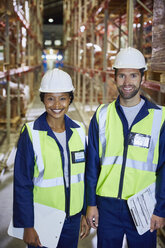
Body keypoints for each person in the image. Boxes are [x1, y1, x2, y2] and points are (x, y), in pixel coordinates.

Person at [86, 47, 165, 248]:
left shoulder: (159, 118)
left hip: (144, 206)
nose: (127, 82)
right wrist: (91, 203)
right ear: (114, 77)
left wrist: (161, 209)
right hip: (107, 206)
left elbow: (164, 168)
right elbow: (92, 165)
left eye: (133, 75)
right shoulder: (102, 115)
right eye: (121, 75)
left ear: (143, 78)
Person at [13, 68, 90, 248]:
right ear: (43, 99)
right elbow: (22, 182)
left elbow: (84, 176)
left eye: (62, 98)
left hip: (72, 219)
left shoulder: (79, 130)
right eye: (50, 98)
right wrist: (27, 225)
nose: (57, 104)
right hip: (42, 219)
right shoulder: (31, 133)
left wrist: (83, 213)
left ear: (70, 99)